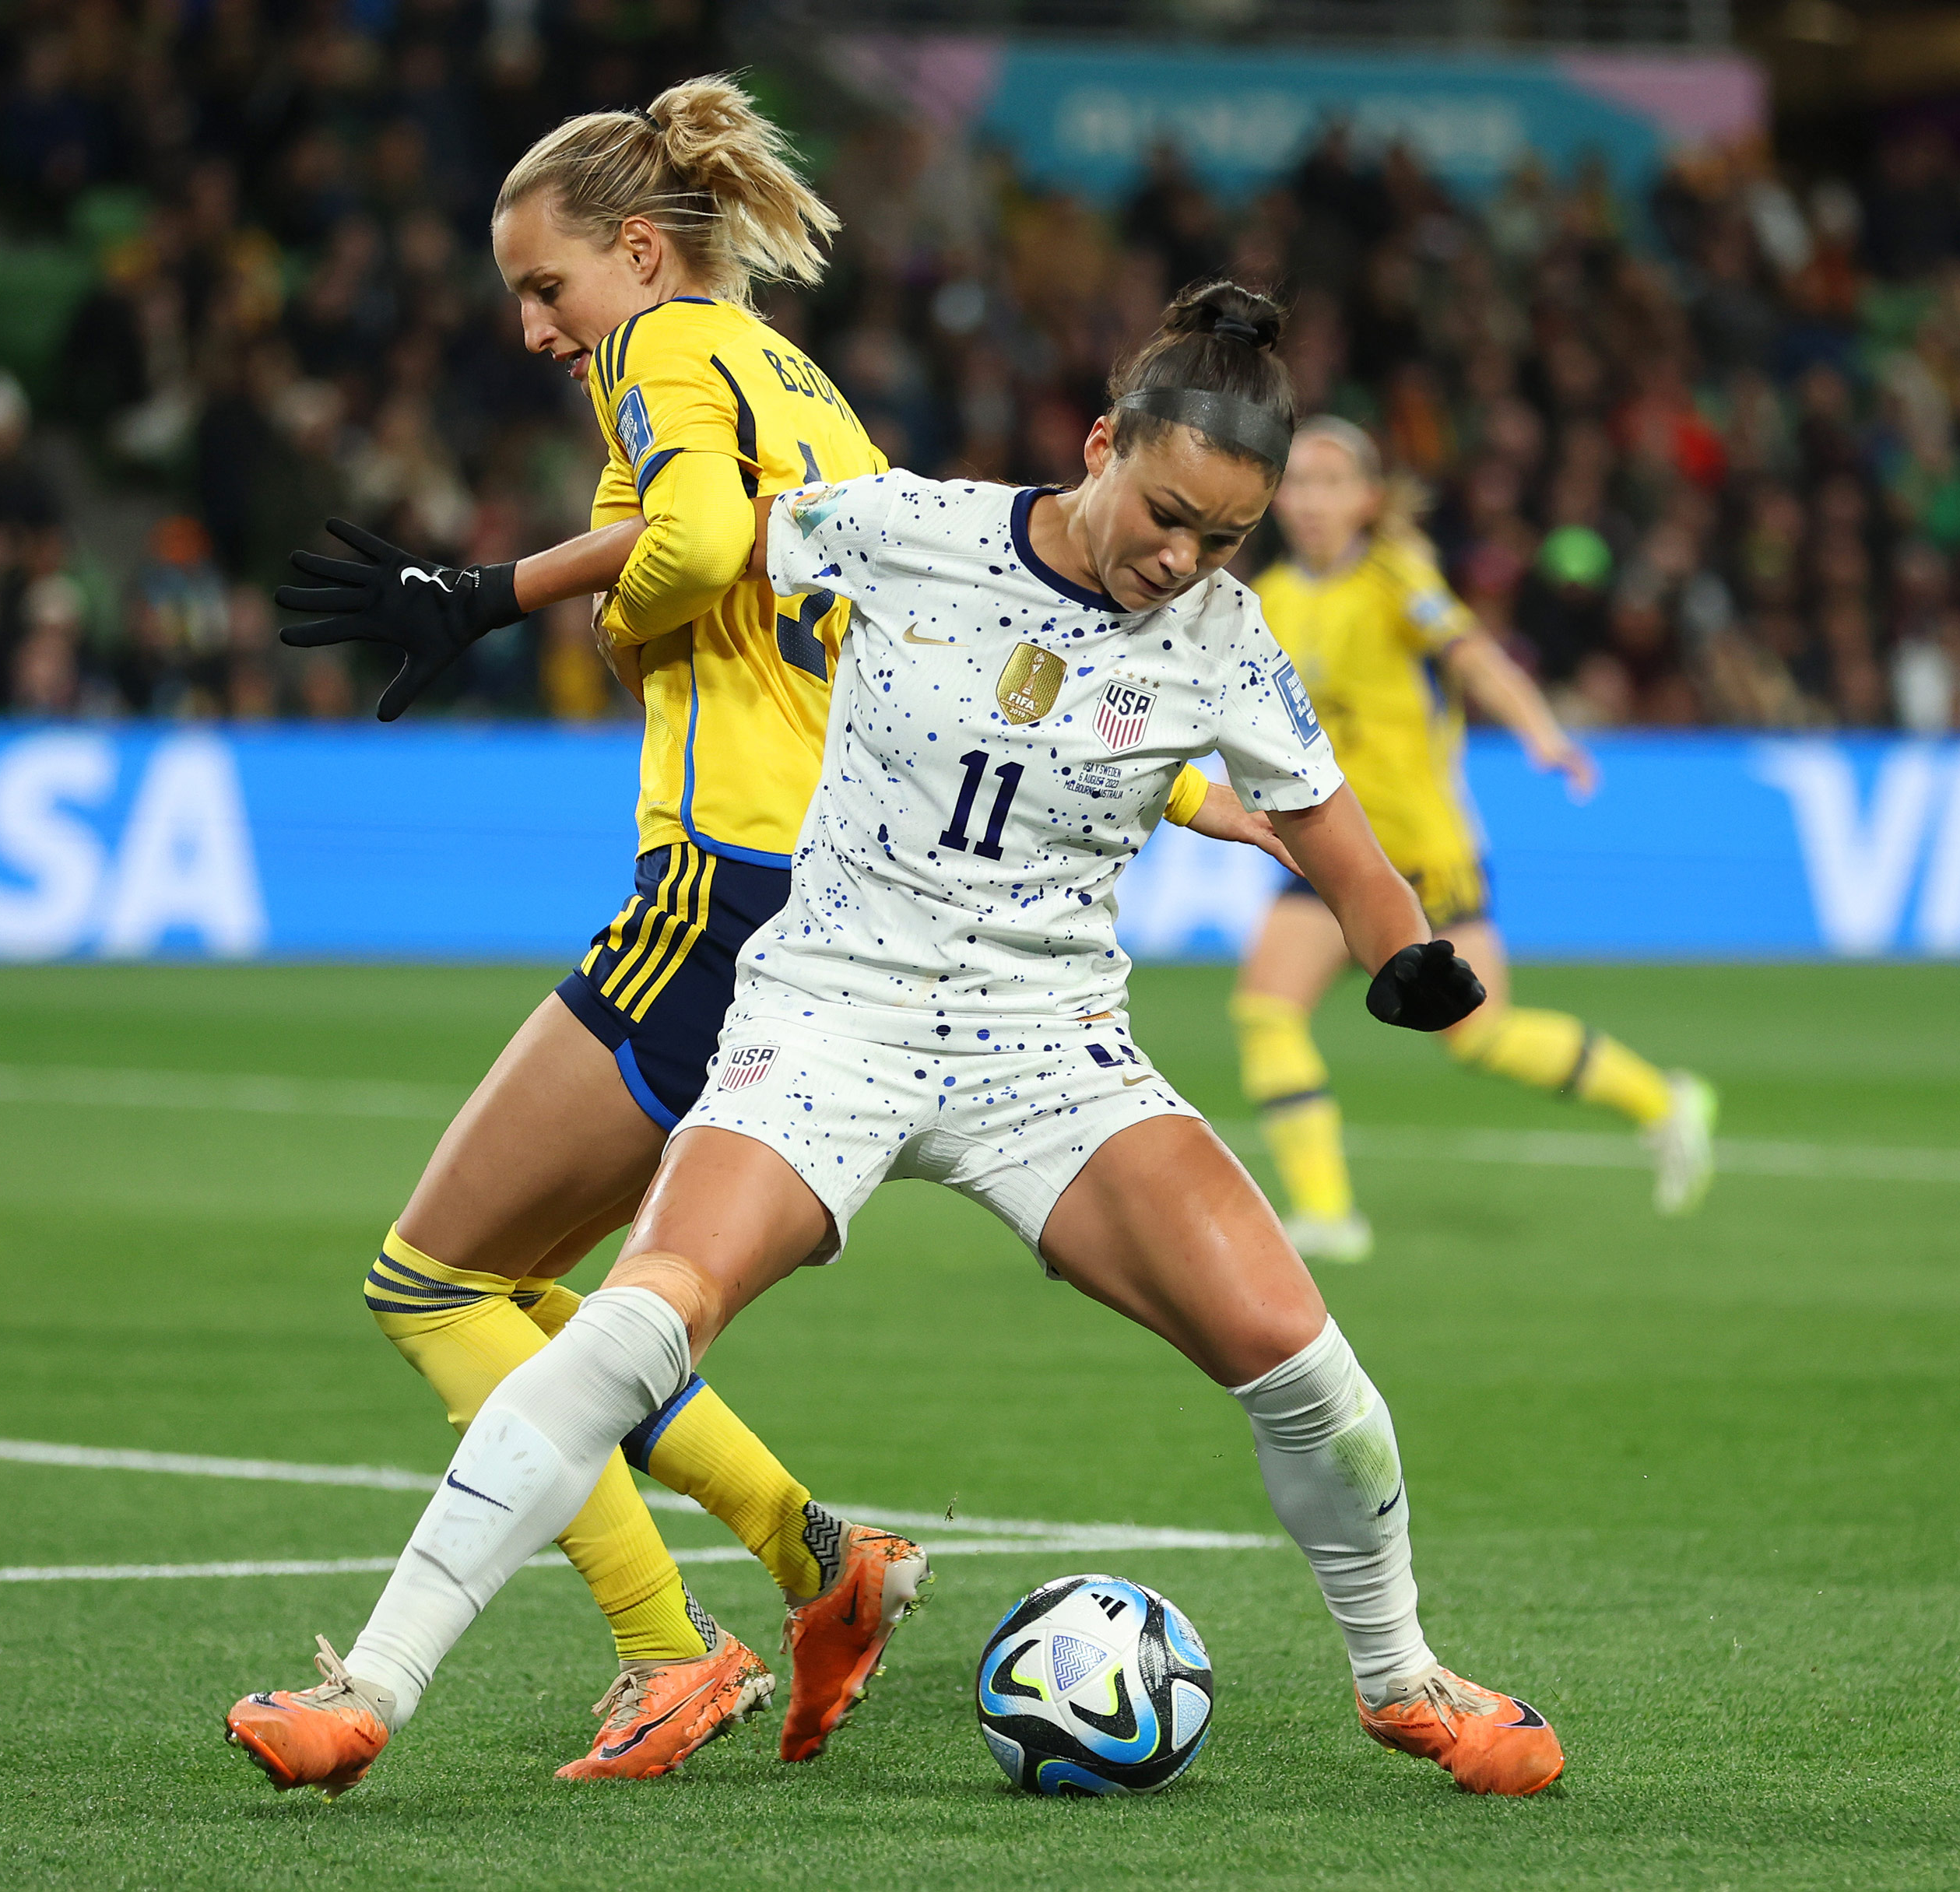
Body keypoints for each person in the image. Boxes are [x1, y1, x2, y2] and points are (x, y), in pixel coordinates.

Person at [238, 284, 1568, 1800]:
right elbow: (713, 535)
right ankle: (369, 1692)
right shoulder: (909, 526)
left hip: (1049, 1048)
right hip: (831, 1013)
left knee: (1305, 1364)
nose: (1183, 559)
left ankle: (1403, 1681)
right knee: (634, 1322)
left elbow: (1324, 816)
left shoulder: (1218, 636)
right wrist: (490, 590)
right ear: (1100, 445)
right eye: (1170, 514)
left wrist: (1402, 949)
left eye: (1224, 538)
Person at [1234, 418, 1717, 1262]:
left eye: (1328, 482)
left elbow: (1476, 659)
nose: (1307, 501)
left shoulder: (1395, 577)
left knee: (1479, 1036)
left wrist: (1541, 731)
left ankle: (1665, 1101)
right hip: (1330, 845)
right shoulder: (1265, 594)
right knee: (1267, 1010)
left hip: (1423, 854)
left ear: (1368, 499)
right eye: (1296, 483)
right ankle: (1326, 1214)